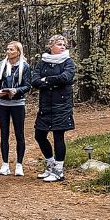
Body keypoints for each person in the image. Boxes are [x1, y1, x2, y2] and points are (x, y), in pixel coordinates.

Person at [32, 34, 76, 182]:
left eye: (64, 44)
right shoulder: (42, 62)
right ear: (51, 46)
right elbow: (35, 80)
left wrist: (47, 80)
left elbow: (66, 78)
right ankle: (50, 165)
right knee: (39, 135)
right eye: (59, 44)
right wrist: (48, 82)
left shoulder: (68, 62)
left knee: (58, 136)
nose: (63, 47)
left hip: (62, 105)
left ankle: (59, 171)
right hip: (45, 105)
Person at [0, 41, 32, 177]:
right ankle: (5, 164)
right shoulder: (1, 65)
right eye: (7, 49)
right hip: (2, 104)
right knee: (4, 134)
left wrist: (16, 90)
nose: (8, 52)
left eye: (11, 49)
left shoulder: (24, 67)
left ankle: (19, 165)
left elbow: (27, 85)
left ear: (18, 52)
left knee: (19, 134)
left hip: (18, 104)